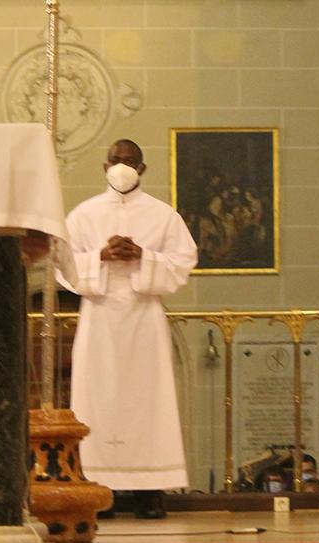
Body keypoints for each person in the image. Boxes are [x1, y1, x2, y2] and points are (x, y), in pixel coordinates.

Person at [57, 139, 197, 519]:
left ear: (143, 168)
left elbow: (184, 261)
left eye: (130, 161)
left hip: (143, 316)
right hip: (99, 316)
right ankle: (100, 488)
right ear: (105, 168)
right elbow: (61, 262)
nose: (122, 167)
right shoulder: (83, 215)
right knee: (96, 399)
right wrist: (99, 257)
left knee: (147, 400)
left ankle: (150, 490)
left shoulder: (162, 215)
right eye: (116, 161)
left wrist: (143, 257)